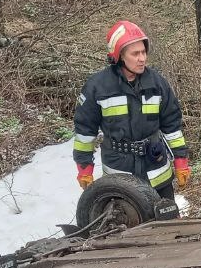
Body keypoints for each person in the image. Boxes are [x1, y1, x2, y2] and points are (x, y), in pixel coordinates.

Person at [73, 20, 190, 199]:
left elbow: (172, 126)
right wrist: (84, 169)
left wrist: (181, 161)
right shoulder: (97, 87)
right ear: (120, 56)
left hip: (157, 172)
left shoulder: (157, 84)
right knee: (124, 225)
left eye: (143, 52)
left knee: (168, 223)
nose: (142, 58)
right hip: (119, 177)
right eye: (135, 53)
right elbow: (84, 132)